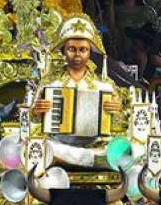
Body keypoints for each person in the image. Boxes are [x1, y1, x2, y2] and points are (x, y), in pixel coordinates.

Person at [31, 13, 125, 169]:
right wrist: (37, 111)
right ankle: (87, 161)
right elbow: (33, 120)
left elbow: (120, 123)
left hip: (95, 146)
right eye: (71, 49)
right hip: (58, 145)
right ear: (63, 51)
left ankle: (80, 159)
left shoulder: (104, 85)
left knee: (125, 148)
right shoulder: (49, 83)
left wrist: (117, 110)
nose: (77, 55)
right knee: (38, 146)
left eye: (83, 50)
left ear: (89, 53)